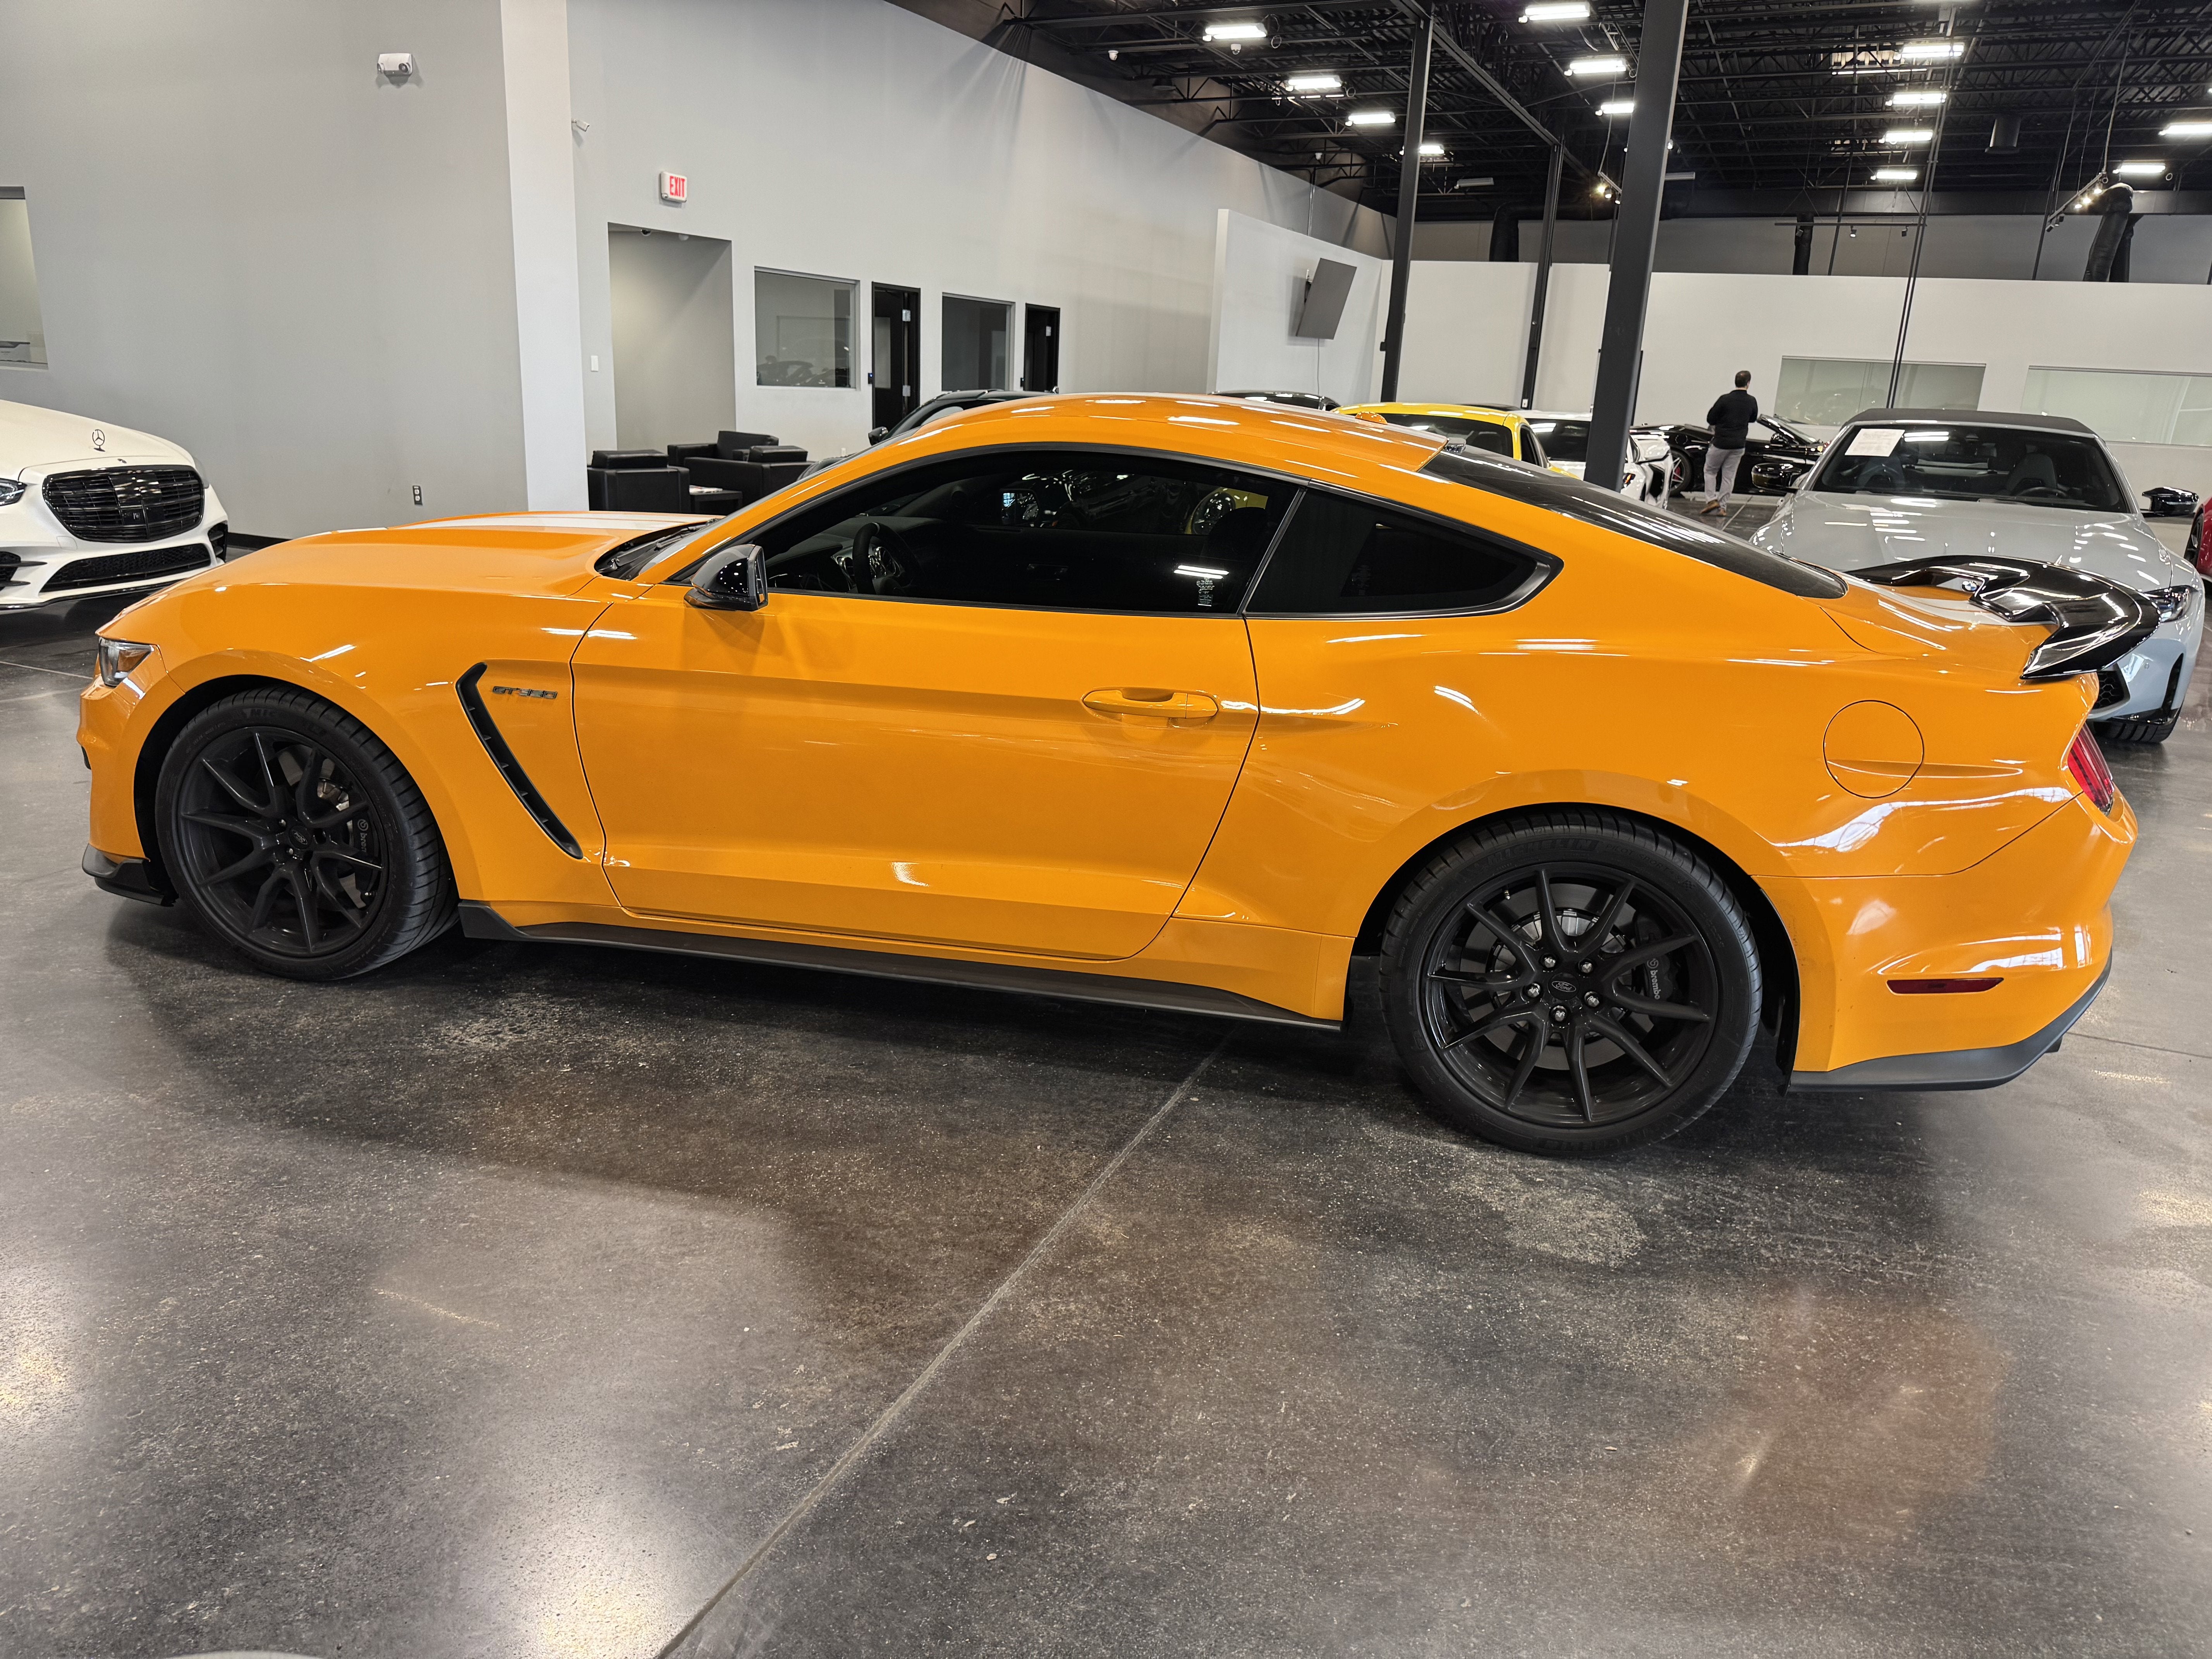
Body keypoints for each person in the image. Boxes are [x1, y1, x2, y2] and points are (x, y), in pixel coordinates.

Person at [1701, 369, 1758, 515]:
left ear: (1735, 382)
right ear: (1748, 384)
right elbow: (1753, 418)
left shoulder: (1725, 399)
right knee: (1729, 476)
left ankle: (1711, 500)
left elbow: (1711, 418)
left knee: (1710, 471)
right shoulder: (1751, 401)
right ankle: (1723, 507)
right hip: (1739, 445)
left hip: (1721, 443)